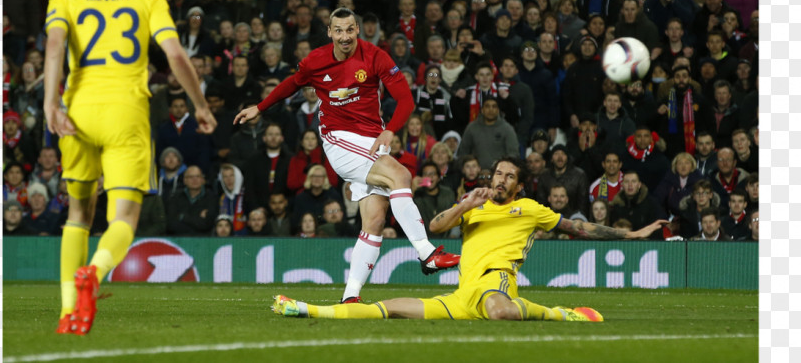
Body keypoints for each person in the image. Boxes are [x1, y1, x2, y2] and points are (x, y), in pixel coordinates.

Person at [43, 0, 216, 335]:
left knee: (79, 214)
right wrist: (200, 105)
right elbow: (175, 56)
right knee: (124, 215)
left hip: (77, 111)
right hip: (126, 112)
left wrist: (50, 103)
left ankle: (70, 312)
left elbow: (53, 47)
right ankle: (95, 273)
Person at [234, 8, 460, 302]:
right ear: (329, 32)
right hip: (338, 139)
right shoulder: (316, 61)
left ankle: (349, 297)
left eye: (350, 30)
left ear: (358, 31)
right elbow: (293, 83)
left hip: (371, 139)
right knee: (402, 175)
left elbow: (404, 98)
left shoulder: (375, 56)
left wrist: (390, 130)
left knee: (376, 219)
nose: (344, 37)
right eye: (338, 30)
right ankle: (426, 253)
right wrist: (260, 107)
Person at [272, 157, 667, 321]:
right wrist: (464, 205)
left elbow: (578, 227)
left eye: (510, 177)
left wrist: (630, 233)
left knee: (501, 312)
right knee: (388, 308)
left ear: (518, 184)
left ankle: (561, 313)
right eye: (498, 174)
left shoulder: (529, 209)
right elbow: (436, 228)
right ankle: (307, 309)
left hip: (497, 281)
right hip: (462, 294)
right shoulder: (474, 204)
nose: (501, 180)